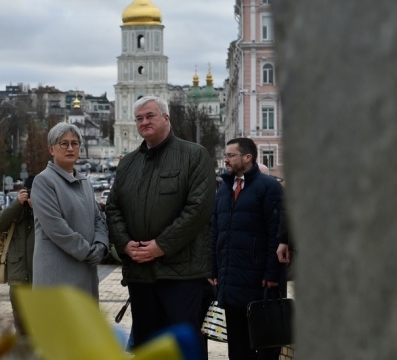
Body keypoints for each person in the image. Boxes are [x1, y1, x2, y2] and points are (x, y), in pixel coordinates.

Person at [105, 95, 216, 351]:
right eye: (139, 118)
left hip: (182, 273)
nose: (144, 122)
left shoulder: (194, 155)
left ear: (166, 118)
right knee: (148, 346)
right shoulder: (128, 164)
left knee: (183, 345)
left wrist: (161, 246)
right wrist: (125, 245)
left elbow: (198, 210)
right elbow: (113, 208)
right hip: (140, 274)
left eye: (150, 116)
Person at [209, 138, 284, 360]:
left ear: (247, 157)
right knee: (237, 347)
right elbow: (216, 232)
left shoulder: (268, 187)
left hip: (258, 283)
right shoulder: (224, 188)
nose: (226, 159)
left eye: (231, 155)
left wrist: (272, 273)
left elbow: (276, 234)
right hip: (230, 281)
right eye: (226, 155)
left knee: (262, 347)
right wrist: (213, 269)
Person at [31, 123, 109, 300]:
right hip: (57, 277)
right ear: (51, 149)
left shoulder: (85, 183)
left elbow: (98, 219)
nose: (70, 148)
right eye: (63, 143)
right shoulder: (44, 181)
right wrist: (88, 252)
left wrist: (101, 245)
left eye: (75, 143)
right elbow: (56, 227)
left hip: (85, 272)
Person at [0, 175, 36, 335]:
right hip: (18, 277)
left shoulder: (47, 209)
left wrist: (38, 207)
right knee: (22, 326)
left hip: (41, 278)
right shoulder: (17, 211)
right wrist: (17, 204)